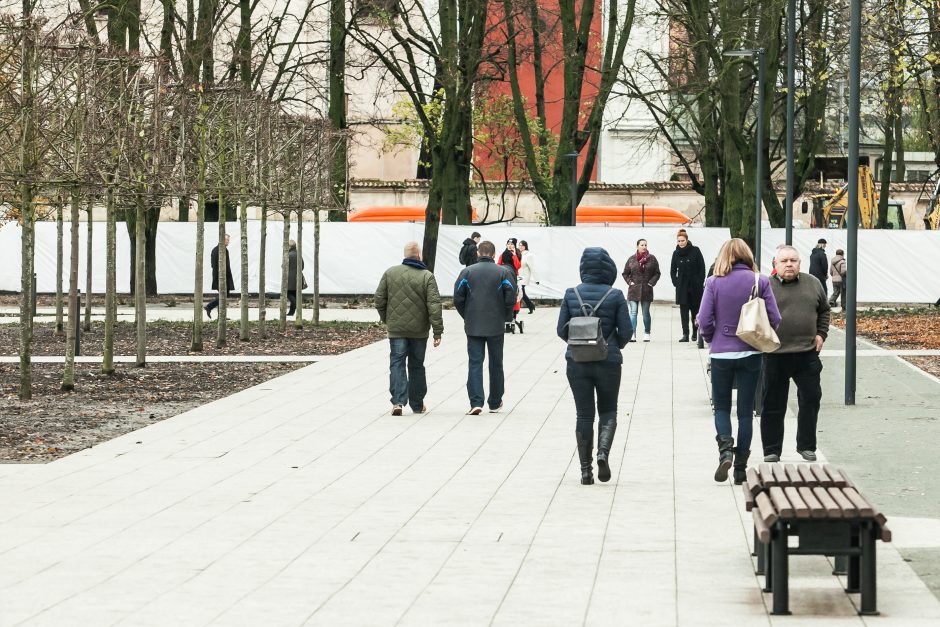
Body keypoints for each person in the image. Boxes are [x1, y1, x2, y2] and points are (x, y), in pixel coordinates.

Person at [697, 239, 781, 484]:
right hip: (751, 352)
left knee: (721, 407)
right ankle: (741, 468)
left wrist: (712, 338)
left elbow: (703, 318)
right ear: (747, 255)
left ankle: (725, 451)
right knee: (746, 412)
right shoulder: (760, 280)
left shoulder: (713, 282)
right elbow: (775, 318)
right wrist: (758, 335)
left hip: (721, 353)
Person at [557, 248, 632, 485]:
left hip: (577, 362)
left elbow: (561, 330)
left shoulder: (571, 294)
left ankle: (585, 470)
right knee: (608, 410)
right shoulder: (615, 294)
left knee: (584, 414)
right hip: (608, 361)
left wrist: (579, 344)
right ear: (608, 268)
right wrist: (612, 345)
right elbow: (627, 331)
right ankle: (602, 453)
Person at [761, 245, 831, 463]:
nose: (789, 264)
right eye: (784, 261)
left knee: (811, 399)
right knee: (773, 403)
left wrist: (821, 333)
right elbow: (752, 314)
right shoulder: (765, 286)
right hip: (774, 354)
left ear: (800, 263)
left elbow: (824, 311)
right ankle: (772, 450)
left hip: (806, 353)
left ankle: (807, 446)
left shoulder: (813, 283)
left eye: (794, 260)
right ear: (775, 265)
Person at [375, 242, 444, 416]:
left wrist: (386, 319)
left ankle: (398, 401)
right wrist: (437, 331)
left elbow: (379, 299)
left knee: (397, 363)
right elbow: (434, 305)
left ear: (405, 255)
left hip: (397, 329)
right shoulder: (427, 276)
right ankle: (417, 404)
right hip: (419, 331)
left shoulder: (390, 273)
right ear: (419, 256)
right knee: (417, 365)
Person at [454, 241, 517, 415]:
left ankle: (476, 401)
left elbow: (458, 298)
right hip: (496, 325)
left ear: (477, 254)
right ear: (494, 254)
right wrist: (505, 316)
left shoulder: (467, 272)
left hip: (473, 324)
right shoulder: (503, 272)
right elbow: (511, 295)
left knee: (475, 362)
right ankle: (495, 402)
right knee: (496, 363)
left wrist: (467, 315)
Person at [622, 238, 661, 342]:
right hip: (634, 290)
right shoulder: (631, 259)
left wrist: (651, 283)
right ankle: (632, 334)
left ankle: (647, 333)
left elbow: (657, 273)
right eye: (642, 245)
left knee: (645, 312)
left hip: (646, 289)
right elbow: (625, 273)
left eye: (645, 245)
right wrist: (630, 282)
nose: (644, 247)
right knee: (633, 312)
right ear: (637, 246)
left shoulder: (652, 258)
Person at [670, 228, 706, 342]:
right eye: (679, 241)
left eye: (682, 240)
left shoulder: (695, 250)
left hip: (695, 285)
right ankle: (685, 334)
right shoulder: (675, 253)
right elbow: (672, 270)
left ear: (687, 240)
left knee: (695, 310)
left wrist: (699, 281)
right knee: (683, 311)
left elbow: (702, 267)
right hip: (682, 286)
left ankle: (695, 333)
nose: (680, 243)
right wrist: (676, 282)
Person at [206, 234, 234, 319]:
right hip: (222, 276)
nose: (228, 242)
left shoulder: (218, 249)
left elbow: (213, 264)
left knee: (223, 295)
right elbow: (218, 265)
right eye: (227, 240)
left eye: (228, 240)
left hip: (221, 276)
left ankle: (221, 316)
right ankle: (209, 307)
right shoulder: (220, 250)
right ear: (223, 240)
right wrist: (223, 276)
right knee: (223, 295)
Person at [498, 238, 523, 333]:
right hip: (503, 277)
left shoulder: (516, 254)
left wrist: (514, 255)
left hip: (513, 277)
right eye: (508, 244)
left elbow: (518, 266)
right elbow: (498, 264)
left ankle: (513, 315)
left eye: (512, 244)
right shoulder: (502, 255)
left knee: (515, 295)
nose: (510, 246)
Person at [286, 240, 306, 316]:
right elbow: (302, 266)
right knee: (294, 294)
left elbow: (284, 266)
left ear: (290, 247)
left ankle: (297, 305)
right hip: (298, 277)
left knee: (288, 293)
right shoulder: (299, 255)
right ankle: (291, 312)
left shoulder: (288, 255)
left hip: (289, 278)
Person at [518, 240, 538, 314]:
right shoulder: (518, 254)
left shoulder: (528, 255)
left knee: (521, 292)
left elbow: (532, 267)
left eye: (522, 245)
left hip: (524, 277)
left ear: (525, 246)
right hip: (519, 276)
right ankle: (531, 306)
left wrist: (536, 279)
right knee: (521, 293)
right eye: (519, 245)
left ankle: (530, 306)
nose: (520, 247)